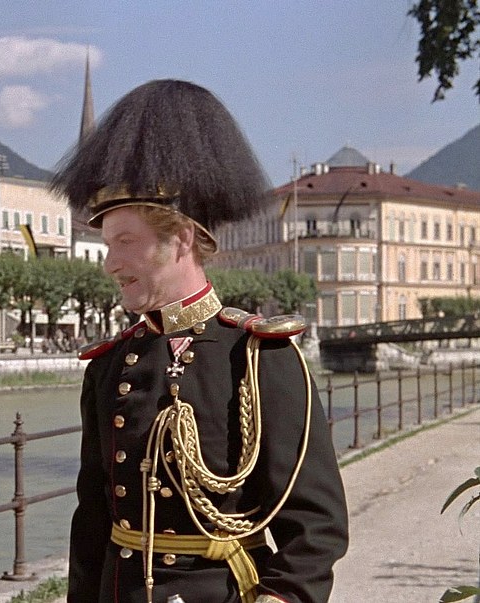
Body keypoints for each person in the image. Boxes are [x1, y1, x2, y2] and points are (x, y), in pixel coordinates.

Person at [51, 80, 348, 603]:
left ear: (181, 239)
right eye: (107, 245)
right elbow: (93, 522)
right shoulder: (109, 366)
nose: (111, 264)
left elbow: (314, 525)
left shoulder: (257, 356)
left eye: (125, 242)